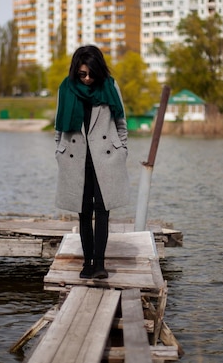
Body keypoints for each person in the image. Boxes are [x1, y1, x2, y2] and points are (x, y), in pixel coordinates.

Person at [54, 45, 130, 279]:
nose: (87, 79)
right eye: (82, 74)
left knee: (102, 210)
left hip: (105, 158)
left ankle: (99, 264)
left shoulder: (109, 86)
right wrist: (59, 152)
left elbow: (121, 123)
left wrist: (122, 150)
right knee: (83, 211)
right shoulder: (66, 89)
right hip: (76, 158)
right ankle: (87, 264)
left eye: (91, 74)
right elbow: (58, 126)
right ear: (76, 71)